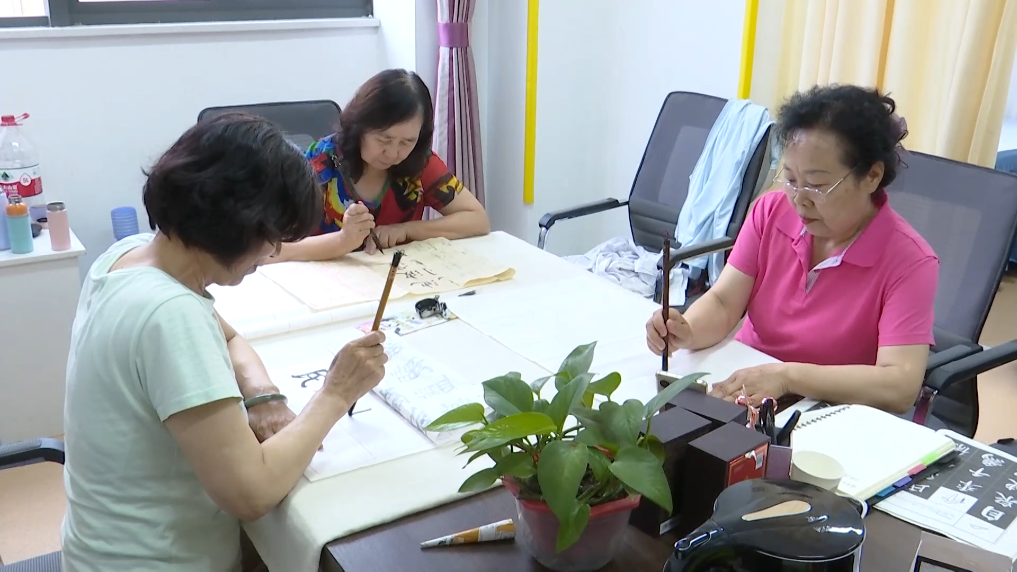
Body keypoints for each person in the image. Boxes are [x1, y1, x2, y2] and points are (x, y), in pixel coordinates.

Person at [61, 114, 389, 572]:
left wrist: (263, 395)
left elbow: (229, 337)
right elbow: (251, 494)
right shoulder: (168, 313)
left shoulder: (131, 255)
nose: (274, 252)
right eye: (271, 238)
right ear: (238, 224)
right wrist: (336, 393)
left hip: (102, 547)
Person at [646, 85, 938, 415]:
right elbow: (725, 302)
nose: (799, 199)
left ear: (871, 175)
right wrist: (687, 330)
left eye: (817, 185)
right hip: (747, 382)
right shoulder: (771, 211)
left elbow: (899, 385)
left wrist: (787, 377)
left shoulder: (910, 261)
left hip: (829, 409)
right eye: (791, 179)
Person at [273, 69, 490, 262]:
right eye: (384, 139)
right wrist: (342, 241)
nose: (394, 153)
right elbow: (272, 249)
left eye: (407, 142)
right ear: (360, 127)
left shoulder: (419, 161)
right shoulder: (320, 161)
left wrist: (407, 230)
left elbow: (477, 220)